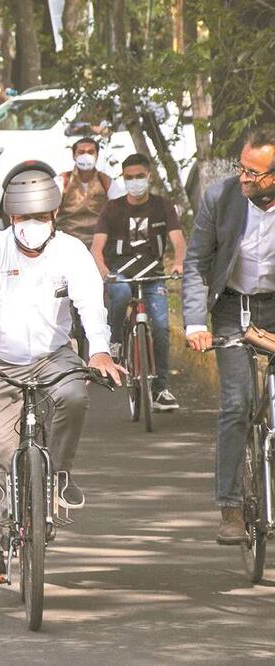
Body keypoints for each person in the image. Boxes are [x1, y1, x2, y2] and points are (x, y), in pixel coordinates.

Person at [0, 168, 122, 585]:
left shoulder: (72, 252)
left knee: (75, 397)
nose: (31, 226)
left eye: (40, 217)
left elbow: (91, 306)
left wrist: (99, 351)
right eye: (23, 219)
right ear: (10, 218)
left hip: (53, 356)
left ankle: (56, 477)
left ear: (54, 215)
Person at [183, 126, 275, 546]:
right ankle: (231, 506)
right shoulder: (220, 198)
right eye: (242, 167)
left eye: (254, 173)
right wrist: (195, 324)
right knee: (237, 404)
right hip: (233, 309)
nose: (244, 178)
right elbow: (197, 261)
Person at [91, 153, 186, 412]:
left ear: (149, 176)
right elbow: (97, 248)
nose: (135, 181)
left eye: (139, 177)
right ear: (123, 178)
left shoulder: (163, 206)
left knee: (161, 326)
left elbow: (178, 241)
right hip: (120, 272)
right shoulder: (113, 208)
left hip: (153, 273)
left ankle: (161, 388)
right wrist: (103, 271)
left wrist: (178, 263)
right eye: (129, 178)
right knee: (120, 292)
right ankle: (116, 340)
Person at [54, 137, 124, 247]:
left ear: (97, 155)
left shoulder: (105, 181)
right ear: (74, 156)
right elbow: (49, 211)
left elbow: (120, 211)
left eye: (91, 152)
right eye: (81, 152)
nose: (86, 156)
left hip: (99, 242)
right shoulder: (63, 180)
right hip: (67, 242)